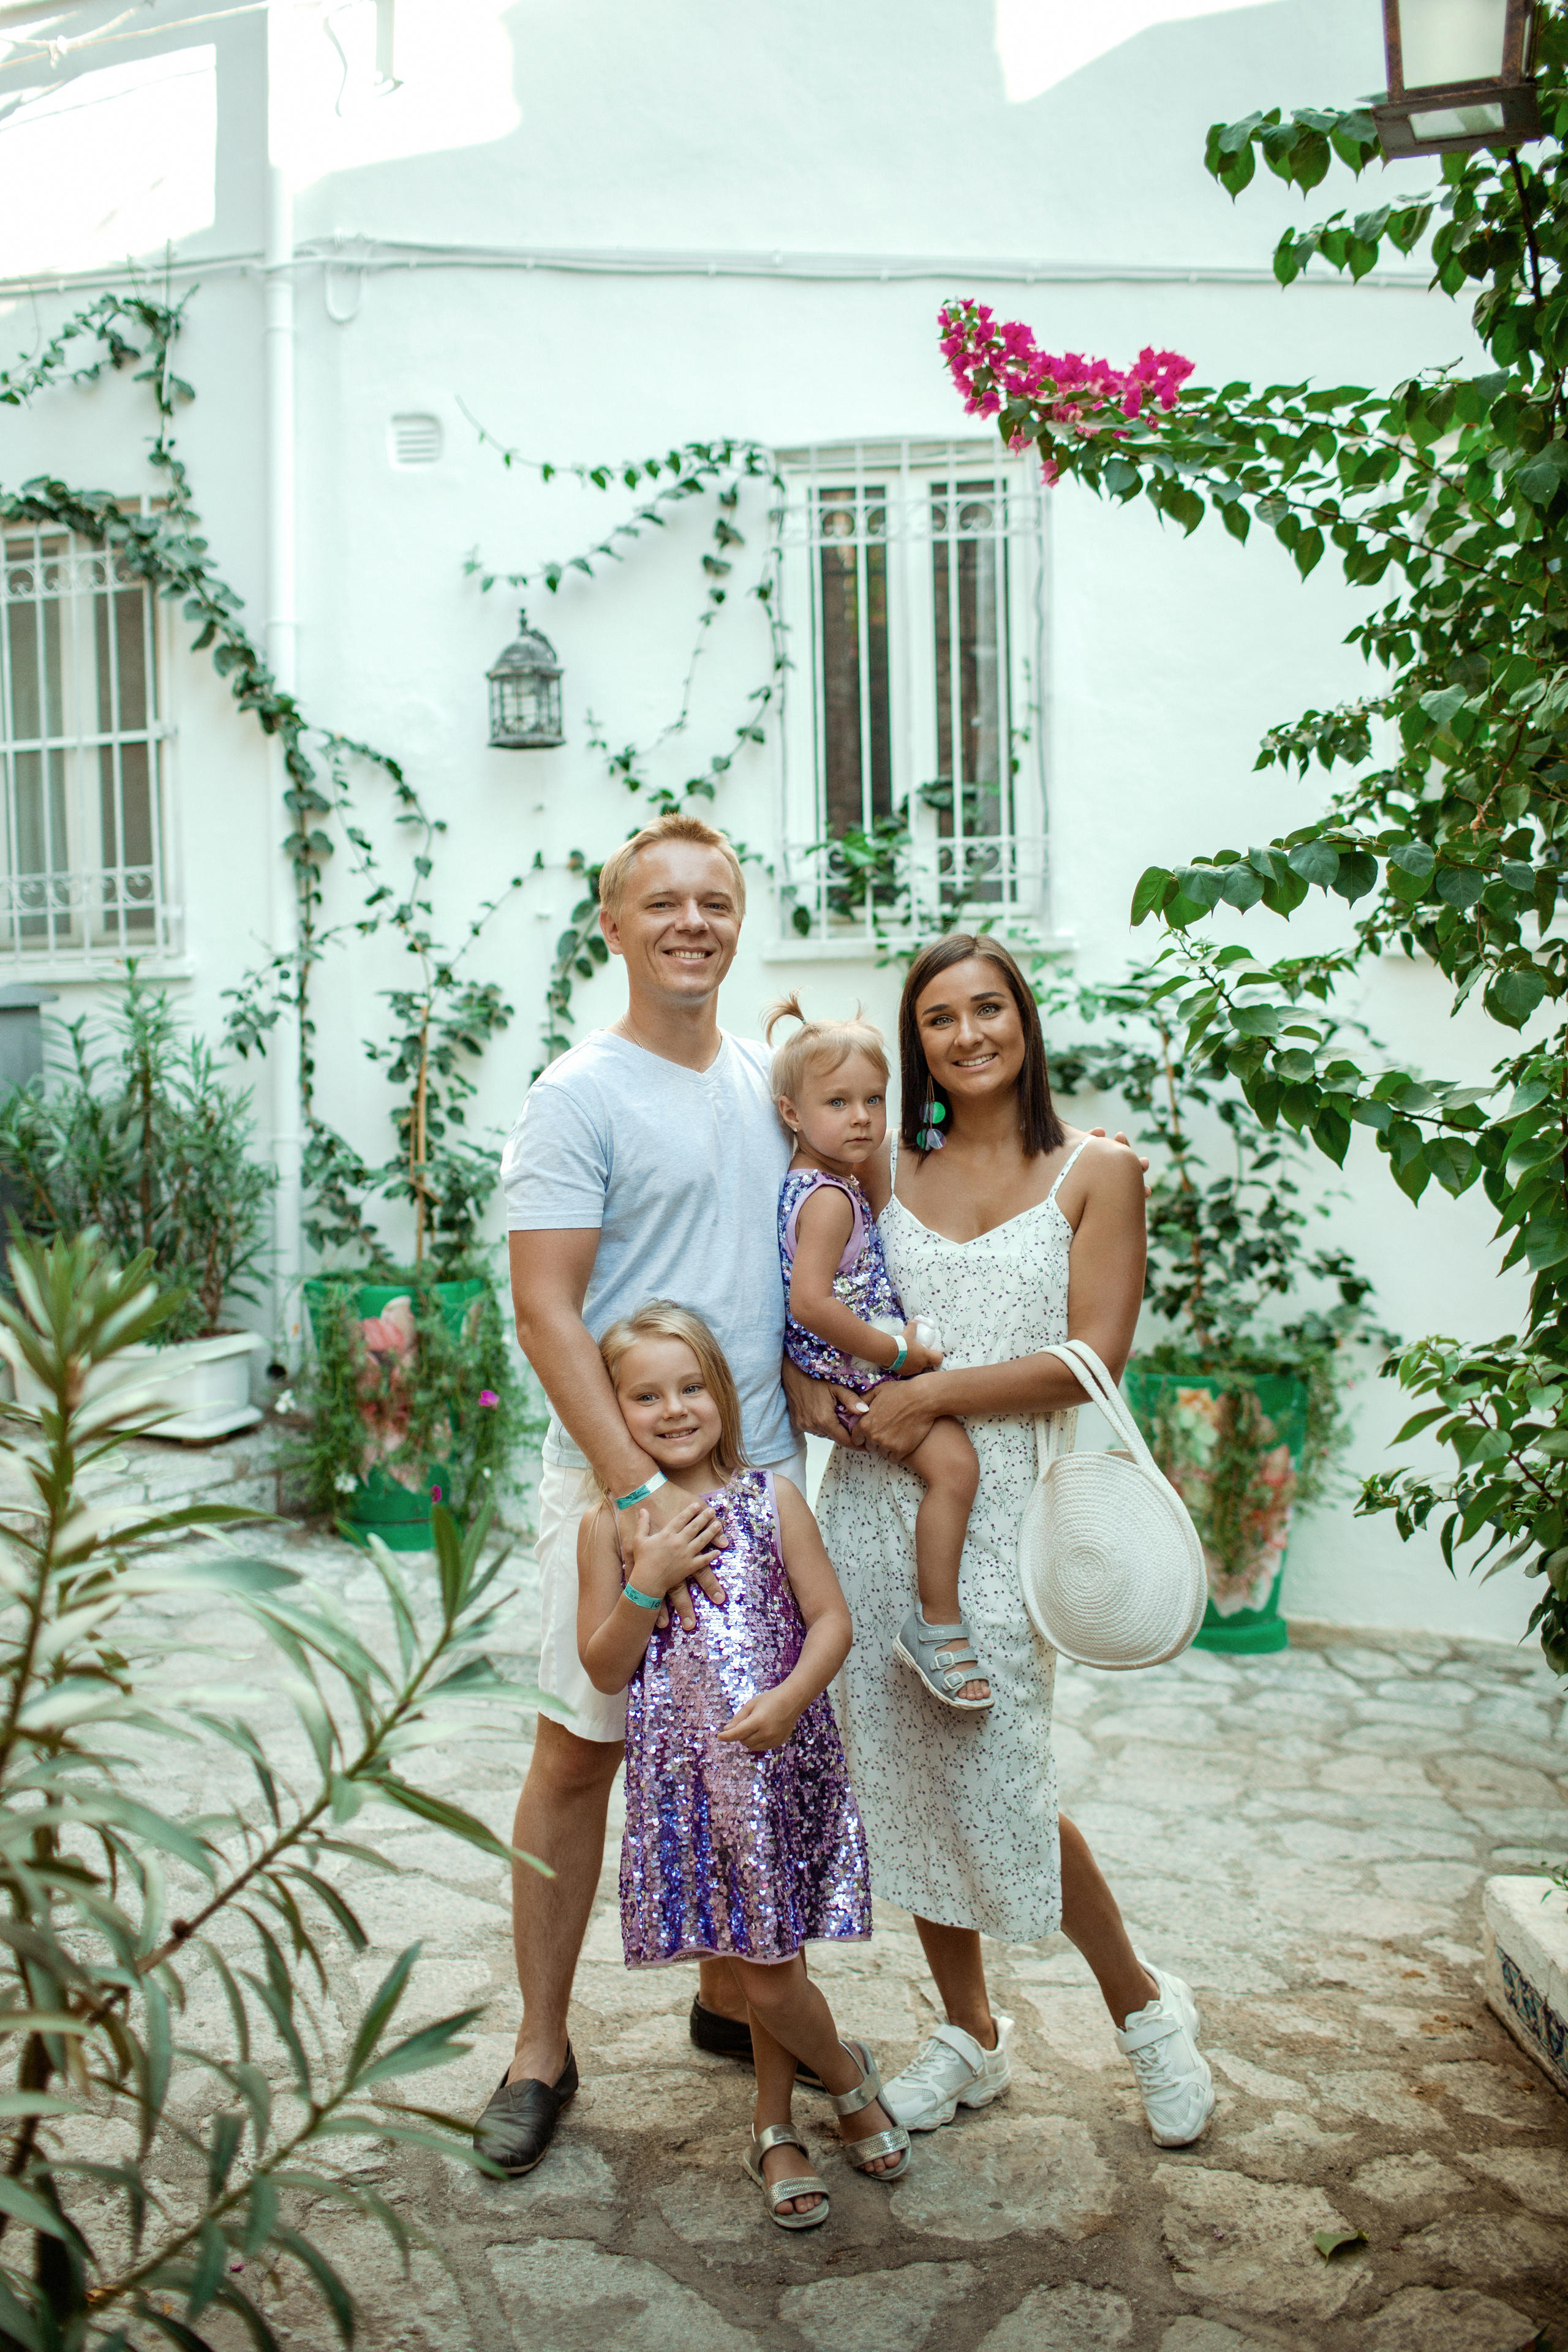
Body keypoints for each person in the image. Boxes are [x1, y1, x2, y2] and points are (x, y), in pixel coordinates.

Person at [477, 809, 851, 2178]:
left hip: (754, 1485)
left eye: (716, 900)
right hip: (618, 1483)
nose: (692, 921)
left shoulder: (766, 1082)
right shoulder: (576, 1095)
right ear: (613, 927)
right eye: (663, 903)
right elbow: (543, 1313)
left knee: (741, 1743)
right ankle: (538, 2045)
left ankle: (723, 1992)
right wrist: (637, 1494)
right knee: (581, 1751)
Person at [813, 932, 1215, 2150]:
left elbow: (1093, 1356)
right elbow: (822, 1286)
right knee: (902, 1776)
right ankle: (969, 2034)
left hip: (1003, 1512)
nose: (968, 1034)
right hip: (874, 1506)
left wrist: (933, 1395)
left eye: (988, 1009)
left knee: (1001, 1777)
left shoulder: (1093, 1169)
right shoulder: (883, 1164)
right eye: (940, 1018)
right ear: (916, 1041)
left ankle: (1144, 2013)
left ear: (1023, 1021)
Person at [575, 1300, 909, 2228]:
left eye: (690, 1388)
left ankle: (791, 2115)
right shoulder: (611, 1530)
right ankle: (829, 2091)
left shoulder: (771, 1500)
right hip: (690, 1785)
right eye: (645, 1396)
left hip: (782, 1759)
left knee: (772, 1963)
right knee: (764, 1955)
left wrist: (791, 1699)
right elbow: (604, 1665)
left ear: (721, 1394)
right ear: (613, 1411)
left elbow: (832, 1621)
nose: (673, 1409)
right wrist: (650, 1578)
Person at [766, 993, 987, 1711]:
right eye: (838, 1102)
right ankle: (937, 1622)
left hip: (847, 1363)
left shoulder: (829, 1180)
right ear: (792, 1114)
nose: (861, 1117)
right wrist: (894, 1357)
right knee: (955, 1467)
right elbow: (810, 1301)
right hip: (854, 1373)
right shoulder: (829, 1197)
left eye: (873, 1099)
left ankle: (933, 1616)